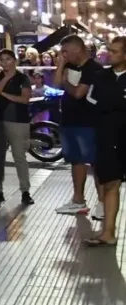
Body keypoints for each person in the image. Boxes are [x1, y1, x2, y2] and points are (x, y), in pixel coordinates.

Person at [53, 34, 105, 216]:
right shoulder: (69, 66)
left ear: (77, 49)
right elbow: (56, 83)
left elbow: (78, 93)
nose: (63, 55)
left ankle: (102, 203)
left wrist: (65, 82)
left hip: (88, 123)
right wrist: (61, 66)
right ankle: (78, 200)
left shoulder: (93, 68)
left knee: (96, 162)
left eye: (66, 51)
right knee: (76, 161)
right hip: (70, 121)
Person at [83, 36, 126, 246]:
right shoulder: (101, 77)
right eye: (109, 50)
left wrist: (111, 104)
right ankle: (108, 232)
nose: (109, 54)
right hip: (108, 137)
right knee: (110, 183)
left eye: (114, 51)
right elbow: (91, 101)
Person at [0, 49, 35, 205]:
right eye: (2, 60)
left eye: (8, 59)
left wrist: (3, 94)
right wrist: (6, 79)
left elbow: (24, 99)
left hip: (18, 121)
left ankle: (25, 191)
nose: (5, 62)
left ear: (14, 60)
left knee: (19, 156)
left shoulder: (23, 78)